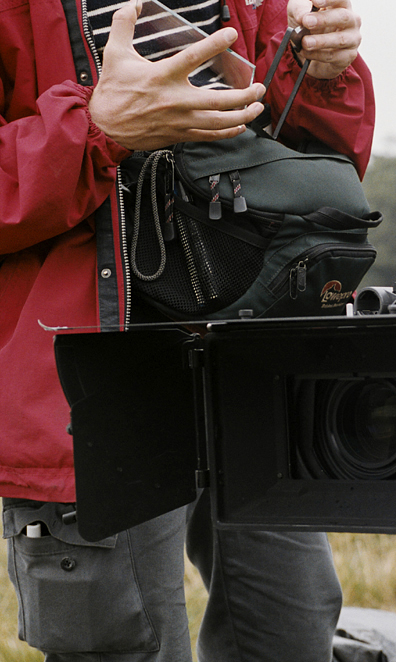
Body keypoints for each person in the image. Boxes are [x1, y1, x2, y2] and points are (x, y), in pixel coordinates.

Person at [0, 0, 374, 659]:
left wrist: (325, 73)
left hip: (247, 355)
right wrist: (94, 128)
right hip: (91, 378)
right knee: (126, 644)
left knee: (294, 633)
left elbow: (307, 166)